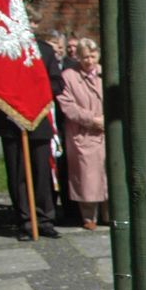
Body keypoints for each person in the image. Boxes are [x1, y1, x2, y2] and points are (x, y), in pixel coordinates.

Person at [0, 28, 61, 240]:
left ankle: (44, 219)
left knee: (41, 173)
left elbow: (57, 83)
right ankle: (25, 221)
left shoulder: (43, 51)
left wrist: (33, 92)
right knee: (17, 174)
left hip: (37, 120)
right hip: (10, 122)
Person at [57, 37, 106, 230]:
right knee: (87, 176)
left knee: (108, 174)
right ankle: (88, 217)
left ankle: (109, 214)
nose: (90, 61)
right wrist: (92, 119)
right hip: (84, 133)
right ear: (78, 57)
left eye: (93, 56)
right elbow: (67, 106)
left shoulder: (105, 72)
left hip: (105, 131)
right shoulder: (69, 76)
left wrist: (106, 118)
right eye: (85, 57)